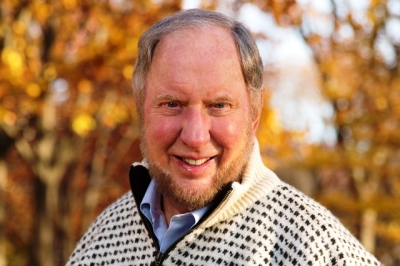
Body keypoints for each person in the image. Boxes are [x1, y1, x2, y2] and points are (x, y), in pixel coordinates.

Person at [67, 9, 381, 265]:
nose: (194, 135)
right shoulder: (103, 239)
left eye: (219, 105)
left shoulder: (313, 248)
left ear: (254, 114)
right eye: (172, 104)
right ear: (141, 108)